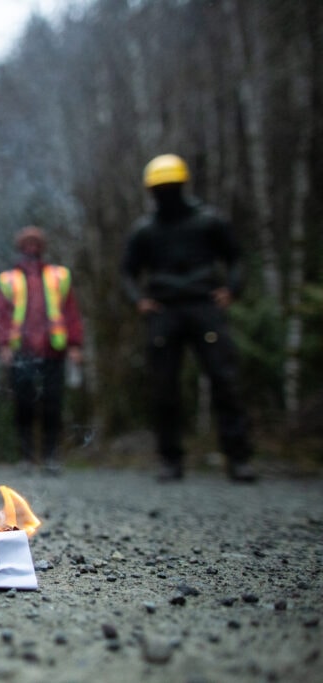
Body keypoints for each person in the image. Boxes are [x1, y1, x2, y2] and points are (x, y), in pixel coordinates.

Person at [122, 153, 256, 483]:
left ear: (182, 186)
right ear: (151, 191)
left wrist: (232, 290)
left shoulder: (209, 221)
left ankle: (238, 458)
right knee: (163, 386)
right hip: (164, 311)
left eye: (170, 187)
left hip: (204, 305)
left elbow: (236, 257)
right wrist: (139, 300)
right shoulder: (145, 230)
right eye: (159, 188)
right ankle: (170, 460)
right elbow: (127, 271)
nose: (165, 193)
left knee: (224, 379)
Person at [0, 227, 84, 474]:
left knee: (52, 404)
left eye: (36, 242)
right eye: (27, 242)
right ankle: (26, 457)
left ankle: (51, 456)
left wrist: (75, 344)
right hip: (21, 351)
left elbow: (70, 311)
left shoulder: (59, 276)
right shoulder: (8, 278)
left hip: (53, 350)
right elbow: (2, 315)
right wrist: (3, 345)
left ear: (42, 246)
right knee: (23, 404)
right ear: (20, 247)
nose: (31, 246)